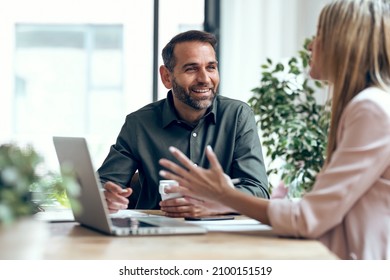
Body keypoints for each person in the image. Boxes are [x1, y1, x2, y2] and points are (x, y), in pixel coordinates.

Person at [159, 0, 390, 259]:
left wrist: (225, 196)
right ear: (167, 76)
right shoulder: (369, 106)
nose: (311, 45)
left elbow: (307, 218)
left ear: (346, 43)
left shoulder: (371, 109)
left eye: (320, 35)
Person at [98, 30, 269, 217]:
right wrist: (106, 197)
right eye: (191, 69)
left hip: (221, 234)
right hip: (155, 233)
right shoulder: (139, 123)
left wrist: (216, 202)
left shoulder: (237, 116)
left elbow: (258, 191)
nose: (204, 79)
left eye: (211, 67)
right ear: (166, 77)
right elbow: (104, 184)